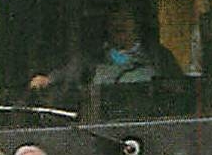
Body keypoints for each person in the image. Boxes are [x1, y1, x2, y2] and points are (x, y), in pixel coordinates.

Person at [30, 6, 180, 95]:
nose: (119, 24)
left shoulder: (159, 56)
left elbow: (178, 87)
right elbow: (66, 75)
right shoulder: (91, 59)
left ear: (136, 24)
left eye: (125, 19)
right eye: (114, 20)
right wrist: (47, 80)